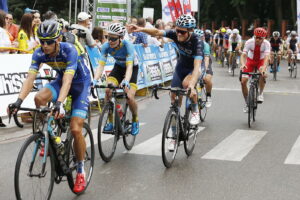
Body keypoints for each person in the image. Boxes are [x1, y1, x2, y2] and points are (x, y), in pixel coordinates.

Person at [8, 20, 91, 193]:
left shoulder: (70, 51)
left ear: (58, 40)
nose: (45, 46)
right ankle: (51, 135)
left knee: (76, 129)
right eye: (42, 41)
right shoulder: (39, 53)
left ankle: (81, 170)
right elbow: (30, 79)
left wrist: (59, 104)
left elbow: (69, 81)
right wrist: (18, 101)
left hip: (80, 84)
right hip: (61, 81)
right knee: (39, 98)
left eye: (49, 42)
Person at [130, 14, 204, 150]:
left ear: (190, 31)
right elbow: (157, 32)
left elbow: (197, 65)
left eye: (182, 32)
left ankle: (194, 109)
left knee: (187, 85)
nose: (178, 34)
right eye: (177, 30)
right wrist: (140, 29)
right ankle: (175, 134)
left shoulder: (196, 41)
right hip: (181, 67)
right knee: (174, 98)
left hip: (194, 68)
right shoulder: (175, 34)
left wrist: (192, 85)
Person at [93, 23, 140, 135]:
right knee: (108, 90)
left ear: (121, 38)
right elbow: (100, 66)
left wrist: (126, 81)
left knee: (129, 96)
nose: (110, 41)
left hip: (132, 68)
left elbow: (129, 67)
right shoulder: (106, 46)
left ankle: (135, 119)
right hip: (118, 67)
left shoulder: (128, 46)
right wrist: (95, 79)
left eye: (113, 38)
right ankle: (110, 122)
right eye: (108, 37)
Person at [240, 27, 270, 112]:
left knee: (263, 74)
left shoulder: (266, 44)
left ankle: (260, 94)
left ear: (264, 38)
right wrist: (243, 64)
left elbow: (267, 57)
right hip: (250, 61)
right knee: (243, 81)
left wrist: (264, 67)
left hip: (261, 60)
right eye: (256, 37)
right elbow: (243, 55)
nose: (258, 39)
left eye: (260, 38)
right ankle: (247, 103)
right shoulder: (249, 42)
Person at [194, 29, 213, 108]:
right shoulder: (191, 44)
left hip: (205, 62)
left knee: (206, 79)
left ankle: (208, 96)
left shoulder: (205, 45)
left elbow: (206, 59)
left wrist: (204, 70)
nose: (199, 40)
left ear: (203, 38)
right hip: (195, 62)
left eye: (201, 38)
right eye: (197, 38)